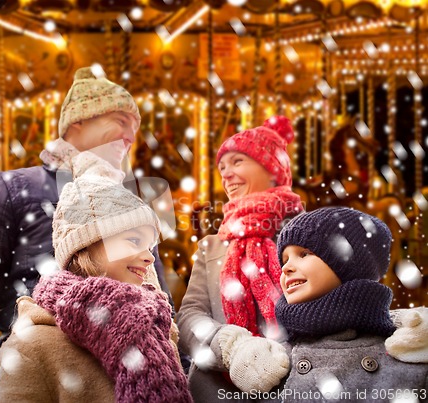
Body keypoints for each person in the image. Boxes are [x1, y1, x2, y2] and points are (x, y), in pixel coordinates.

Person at [0, 67, 172, 402]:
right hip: (42, 378)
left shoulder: (129, 204)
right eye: (120, 120)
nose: (131, 135)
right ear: (79, 123)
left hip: (130, 382)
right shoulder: (12, 189)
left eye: (135, 126)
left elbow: (158, 299)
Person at [0, 152, 192, 402]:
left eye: (149, 246)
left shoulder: (158, 331)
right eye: (133, 241)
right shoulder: (32, 346)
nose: (150, 257)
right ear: (86, 246)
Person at [176, 116, 304, 400]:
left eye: (237, 162)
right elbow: (189, 316)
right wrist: (231, 348)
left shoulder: (307, 234)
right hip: (218, 389)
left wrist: (283, 353)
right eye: (222, 167)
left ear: (271, 167)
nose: (226, 174)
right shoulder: (213, 245)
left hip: (296, 383)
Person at [272, 207, 427, 401]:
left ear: (350, 262)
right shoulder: (271, 361)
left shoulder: (409, 353)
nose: (286, 268)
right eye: (284, 260)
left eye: (304, 254)